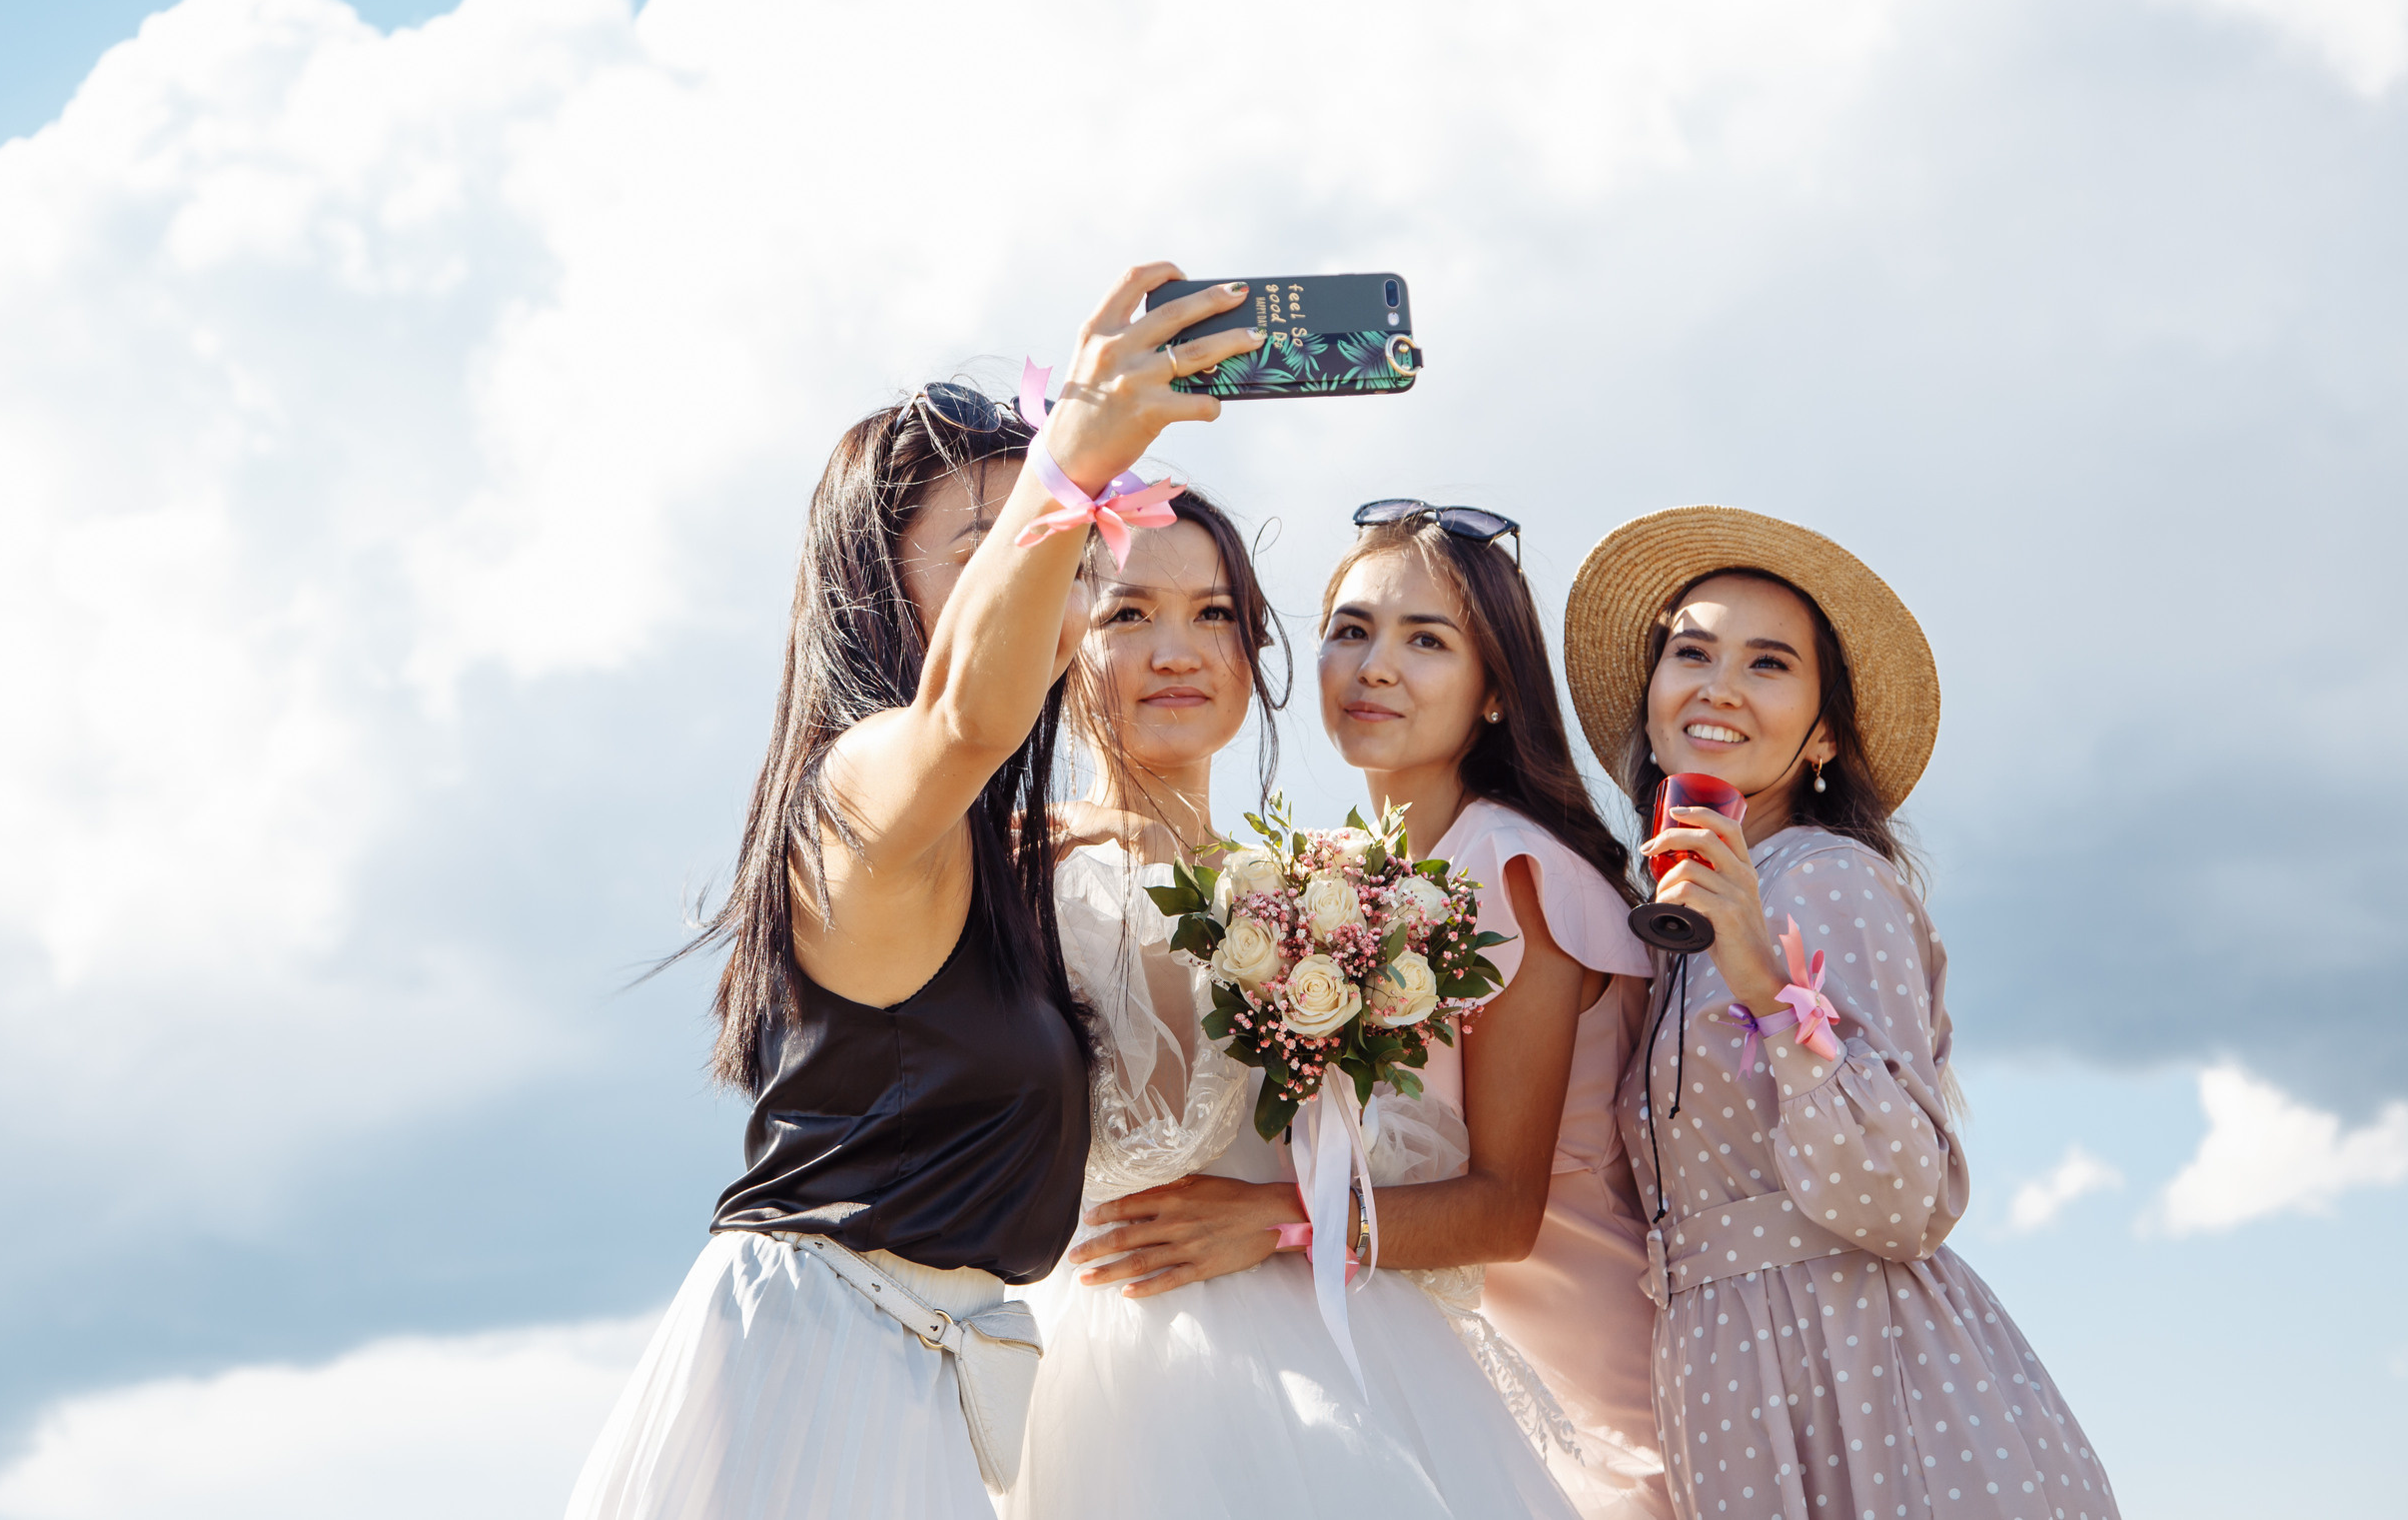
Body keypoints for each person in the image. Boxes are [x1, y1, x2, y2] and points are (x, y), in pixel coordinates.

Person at [563, 264, 1263, 1520]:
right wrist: (1073, 454)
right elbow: (963, 713)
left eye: (1067, 549)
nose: (1052, 587)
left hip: (904, 1374)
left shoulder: (986, 846)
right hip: (819, 1375)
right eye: (990, 548)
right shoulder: (860, 785)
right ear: (876, 581)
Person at [1058, 500, 1669, 1519]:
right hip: (1425, 1350)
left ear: (1495, 690)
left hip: (1582, 1384)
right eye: (1351, 630)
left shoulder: (1508, 867)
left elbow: (1504, 1208)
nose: (1375, 667)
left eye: (1425, 640)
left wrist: (1272, 1218)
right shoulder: (1334, 876)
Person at [1564, 504, 2115, 1520]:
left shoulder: (1828, 881)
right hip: (1727, 1381)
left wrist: (1765, 982)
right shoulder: (1665, 925)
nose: (1720, 685)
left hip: (1867, 1381)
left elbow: (1903, 1197)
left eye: (1769, 664)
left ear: (1822, 733)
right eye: (1693, 651)